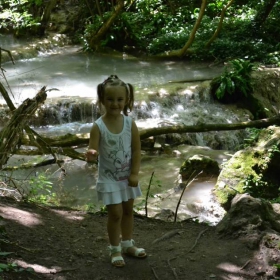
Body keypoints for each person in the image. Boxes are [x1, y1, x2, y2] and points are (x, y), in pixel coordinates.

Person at [86, 75, 146, 267]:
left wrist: (135, 173)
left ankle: (128, 244)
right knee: (116, 214)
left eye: (120, 99)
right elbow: (93, 148)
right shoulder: (98, 126)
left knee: (128, 211)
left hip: (128, 177)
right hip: (109, 179)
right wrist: (91, 154)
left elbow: (137, 150)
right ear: (102, 100)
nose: (115, 103)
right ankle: (114, 249)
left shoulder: (130, 123)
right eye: (110, 99)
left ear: (127, 100)